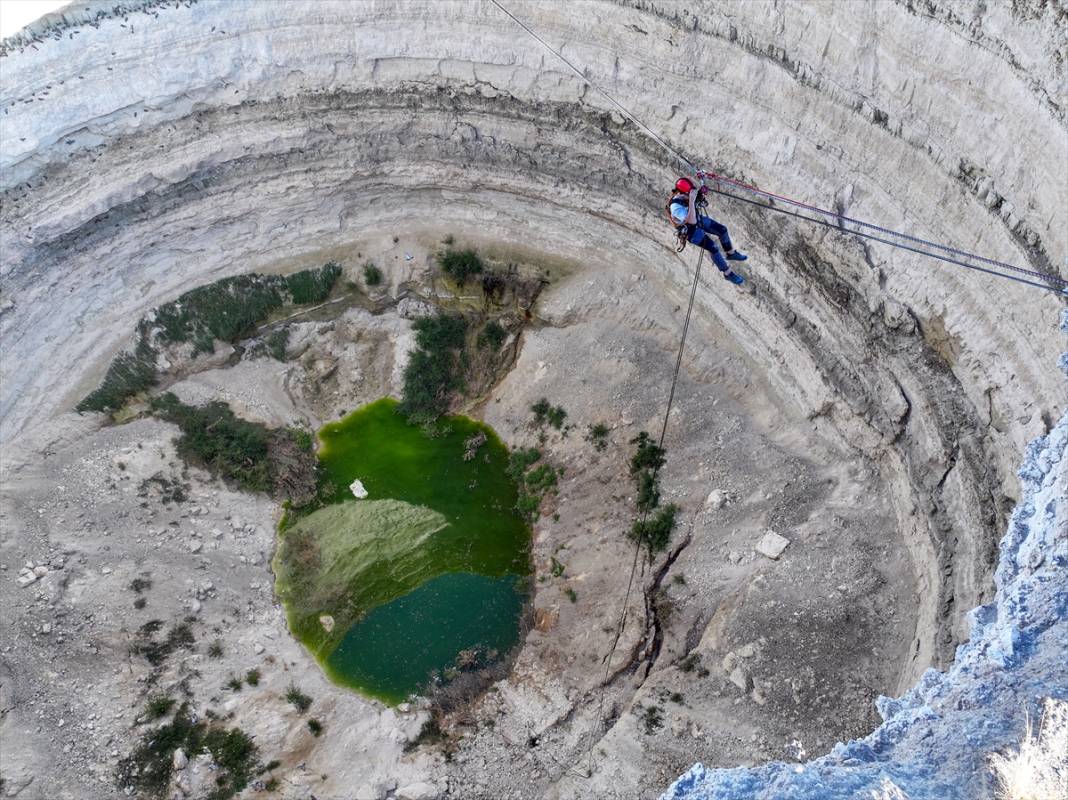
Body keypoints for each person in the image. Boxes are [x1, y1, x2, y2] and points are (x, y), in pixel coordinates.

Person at [667, 177, 747, 285]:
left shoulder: (686, 195)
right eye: (689, 194)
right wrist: (692, 201)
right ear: (681, 193)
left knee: (722, 230)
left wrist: (701, 192)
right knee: (713, 247)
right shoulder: (675, 207)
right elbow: (692, 221)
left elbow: (699, 200)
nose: (691, 195)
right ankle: (728, 273)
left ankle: (731, 253)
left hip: (697, 219)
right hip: (691, 231)